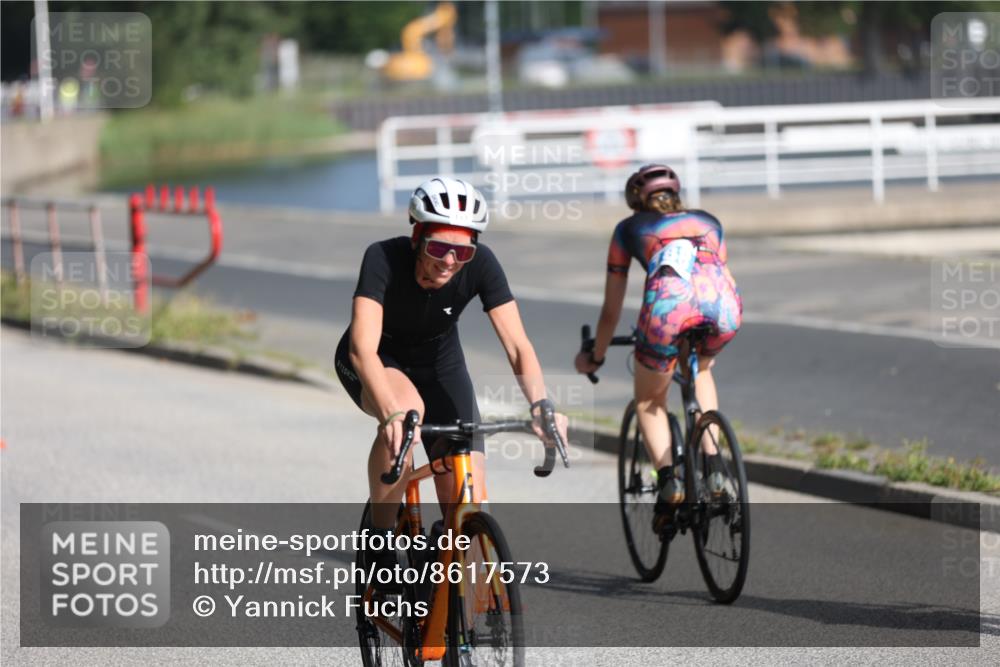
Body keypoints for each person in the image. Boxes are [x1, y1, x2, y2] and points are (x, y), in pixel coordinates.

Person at [336, 176, 569, 576]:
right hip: (378, 359)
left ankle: (441, 571)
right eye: (439, 248)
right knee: (407, 417)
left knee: (469, 502)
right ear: (417, 237)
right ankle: (380, 541)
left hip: (441, 365)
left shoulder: (481, 263)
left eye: (461, 251)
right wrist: (390, 414)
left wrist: (541, 404)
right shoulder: (382, 257)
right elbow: (362, 349)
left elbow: (518, 346)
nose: (449, 261)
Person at [574, 164, 742, 531]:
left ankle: (670, 483)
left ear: (636, 201)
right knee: (702, 370)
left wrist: (596, 356)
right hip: (724, 307)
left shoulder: (628, 229)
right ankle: (714, 469)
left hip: (668, 310)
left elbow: (611, 311)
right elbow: (716, 275)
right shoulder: (709, 221)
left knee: (650, 401)